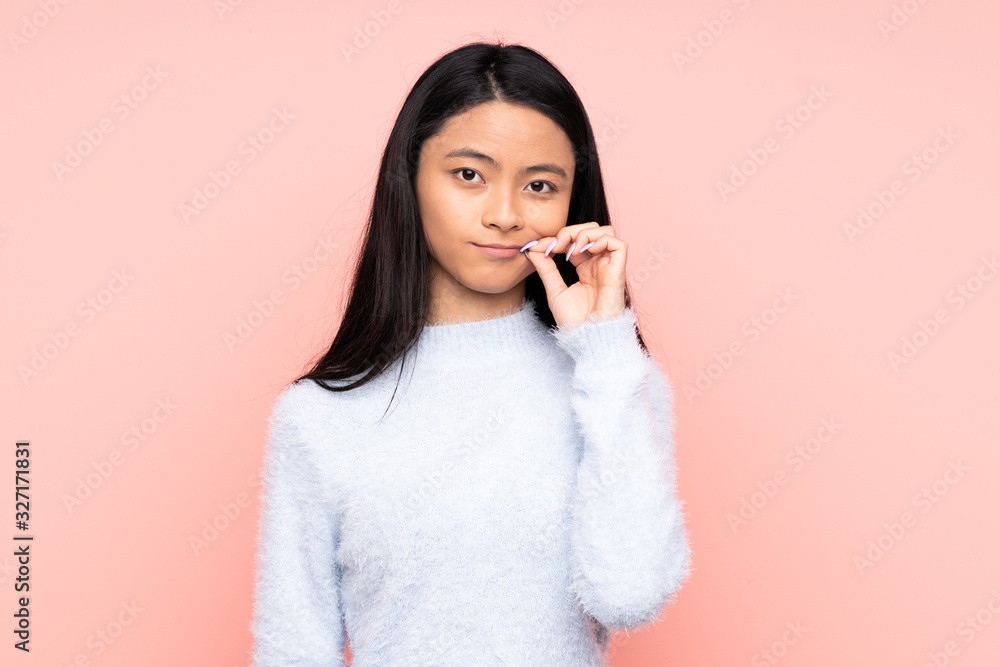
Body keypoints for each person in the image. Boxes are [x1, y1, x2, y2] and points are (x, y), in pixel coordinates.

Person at [249, 40, 693, 666]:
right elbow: (293, 649)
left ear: (572, 203)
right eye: (469, 175)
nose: (506, 215)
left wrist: (604, 350)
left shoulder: (616, 381)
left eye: (539, 184)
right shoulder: (320, 415)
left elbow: (630, 595)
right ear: (409, 177)